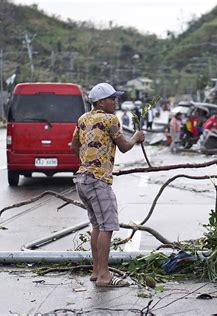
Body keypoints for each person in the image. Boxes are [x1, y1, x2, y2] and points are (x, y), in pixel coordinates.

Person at [70, 82, 145, 287]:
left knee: (97, 225)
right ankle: (104, 276)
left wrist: (88, 162)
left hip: (82, 179)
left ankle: (96, 271)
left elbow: (73, 146)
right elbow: (124, 147)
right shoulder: (110, 119)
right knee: (108, 227)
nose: (115, 101)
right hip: (97, 181)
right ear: (101, 101)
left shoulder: (83, 119)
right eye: (112, 98)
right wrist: (137, 137)